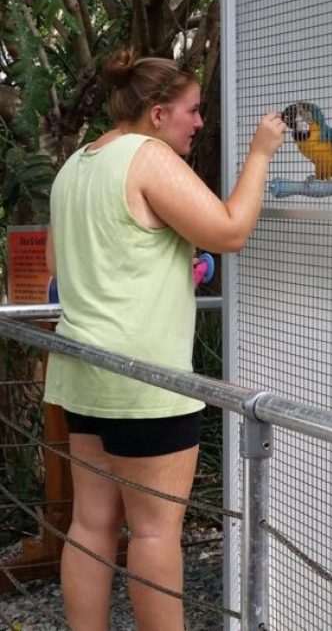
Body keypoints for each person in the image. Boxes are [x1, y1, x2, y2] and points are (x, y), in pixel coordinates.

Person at [43, 49, 285, 631]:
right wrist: (259, 154)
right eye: (192, 111)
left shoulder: (78, 162)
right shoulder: (147, 157)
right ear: (156, 115)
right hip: (145, 381)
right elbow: (228, 231)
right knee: (154, 531)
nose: (199, 123)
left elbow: (63, 264)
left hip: (84, 371)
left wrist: (177, 264)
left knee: (91, 524)